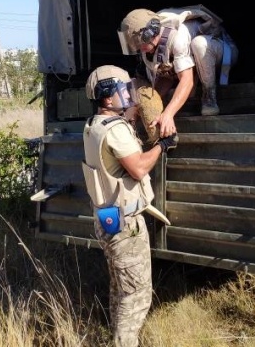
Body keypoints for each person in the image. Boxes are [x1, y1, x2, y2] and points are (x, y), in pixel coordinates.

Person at [81, 65, 176, 347]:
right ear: (107, 99)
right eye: (123, 91)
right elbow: (138, 168)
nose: (129, 96)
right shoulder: (116, 130)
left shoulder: (94, 125)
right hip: (126, 225)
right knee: (137, 294)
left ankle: (118, 339)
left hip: (109, 220)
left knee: (120, 289)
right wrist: (163, 144)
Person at [118, 5, 237, 138]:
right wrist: (146, 106)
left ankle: (209, 95)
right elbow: (166, 76)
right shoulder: (151, 45)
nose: (139, 49)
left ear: (150, 34)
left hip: (224, 52)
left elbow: (187, 80)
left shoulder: (177, 37)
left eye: (139, 45)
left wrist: (168, 114)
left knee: (198, 44)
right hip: (198, 64)